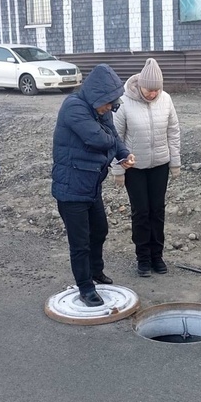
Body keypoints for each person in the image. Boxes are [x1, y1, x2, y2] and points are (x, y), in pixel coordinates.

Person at [52, 64, 136, 307]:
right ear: (97, 96)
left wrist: (125, 154)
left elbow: (113, 137)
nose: (110, 108)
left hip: (90, 184)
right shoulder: (74, 106)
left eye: (112, 103)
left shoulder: (102, 110)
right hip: (71, 187)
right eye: (107, 103)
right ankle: (85, 287)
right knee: (80, 242)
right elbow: (97, 139)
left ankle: (95, 272)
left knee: (99, 231)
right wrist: (114, 150)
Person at [112, 58, 181, 277]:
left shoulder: (166, 99)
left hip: (160, 164)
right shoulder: (124, 102)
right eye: (149, 89)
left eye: (156, 89)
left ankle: (157, 256)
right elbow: (115, 138)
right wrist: (118, 169)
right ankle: (143, 258)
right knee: (141, 212)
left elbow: (173, 131)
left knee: (157, 211)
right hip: (135, 167)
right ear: (139, 85)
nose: (153, 94)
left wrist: (175, 162)